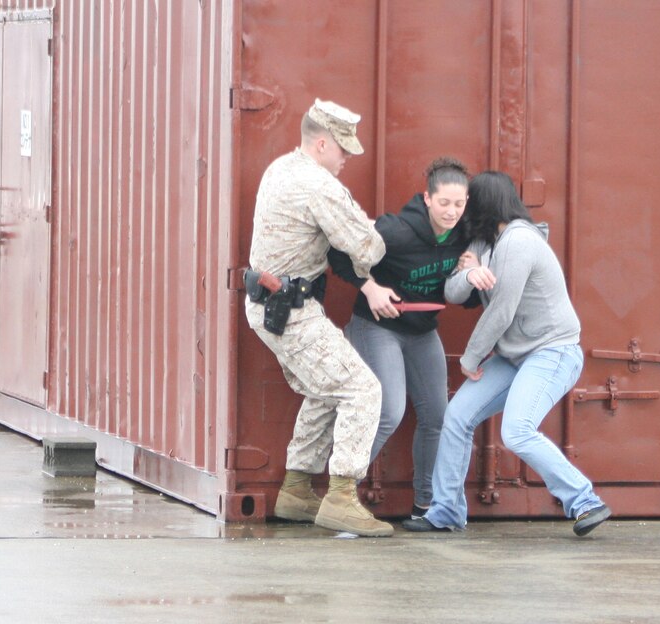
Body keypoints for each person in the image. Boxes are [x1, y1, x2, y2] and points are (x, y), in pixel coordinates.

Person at [402, 171, 611, 536]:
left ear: (483, 204)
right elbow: (451, 291)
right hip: (515, 356)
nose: (462, 212)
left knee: (516, 431)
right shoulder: (485, 243)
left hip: (552, 351)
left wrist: (470, 359)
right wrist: (469, 276)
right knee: (457, 417)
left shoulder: (519, 241)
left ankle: (584, 500)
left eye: (469, 203)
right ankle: (446, 512)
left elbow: (502, 310)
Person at [245, 99, 393, 537]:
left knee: (324, 388)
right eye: (343, 150)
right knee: (362, 389)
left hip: (272, 306)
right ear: (323, 143)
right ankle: (342, 497)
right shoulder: (317, 184)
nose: (348, 158)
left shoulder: (280, 168)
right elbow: (368, 248)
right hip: (291, 310)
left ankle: (296, 489)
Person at [329, 157, 471, 520]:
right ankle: (339, 499)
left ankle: (426, 505)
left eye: (459, 203)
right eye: (444, 203)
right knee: (388, 412)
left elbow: (467, 300)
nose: (452, 211)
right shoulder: (397, 230)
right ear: (427, 198)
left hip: (422, 331)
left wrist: (469, 276)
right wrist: (370, 286)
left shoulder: (465, 237)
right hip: (377, 327)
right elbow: (337, 252)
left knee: (438, 416)